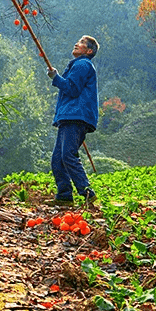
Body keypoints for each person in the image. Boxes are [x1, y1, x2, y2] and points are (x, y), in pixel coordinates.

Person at [46, 35, 99, 206]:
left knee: (67, 155)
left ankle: (87, 191)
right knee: (58, 159)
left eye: (82, 43)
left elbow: (72, 88)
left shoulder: (82, 64)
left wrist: (56, 78)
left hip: (75, 116)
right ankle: (64, 196)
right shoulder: (79, 65)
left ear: (89, 51)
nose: (77, 43)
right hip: (70, 116)